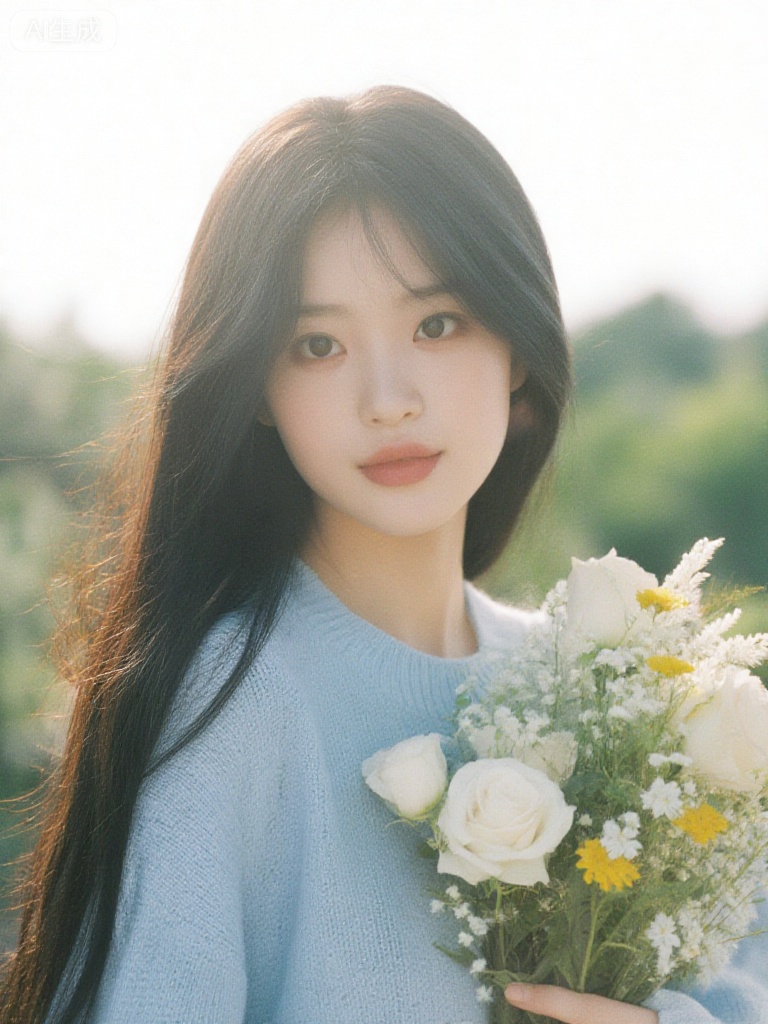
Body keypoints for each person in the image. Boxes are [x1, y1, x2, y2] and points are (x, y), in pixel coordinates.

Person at [1, 86, 765, 1024]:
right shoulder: (230, 701)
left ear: (518, 346)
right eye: (317, 344)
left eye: (436, 325)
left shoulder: (609, 695)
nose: (387, 398)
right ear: (256, 388)